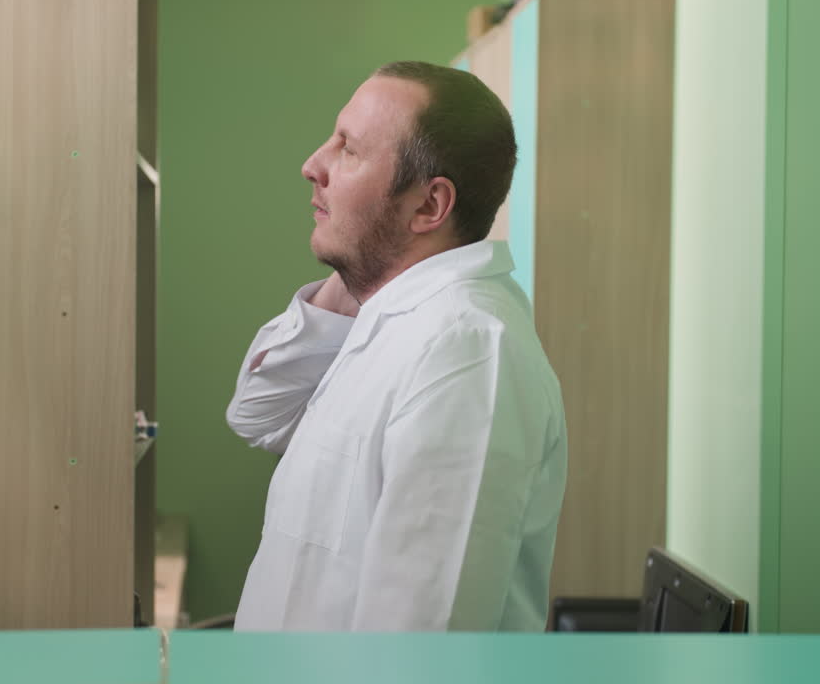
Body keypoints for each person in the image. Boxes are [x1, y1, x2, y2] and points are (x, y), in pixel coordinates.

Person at [225, 61, 567, 631]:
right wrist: (369, 264)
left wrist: (379, 256)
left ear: (429, 207)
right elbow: (255, 415)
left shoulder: (467, 353)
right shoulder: (391, 316)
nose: (312, 166)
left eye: (348, 150)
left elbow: (422, 639)